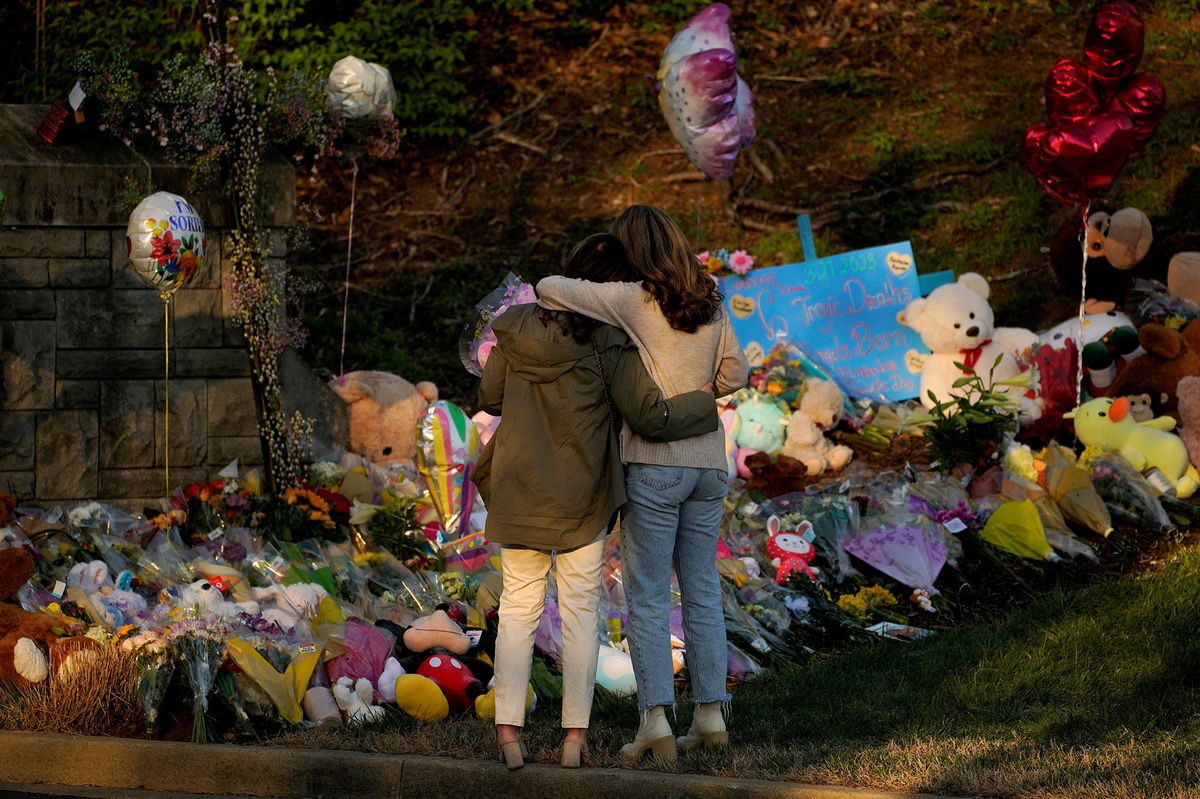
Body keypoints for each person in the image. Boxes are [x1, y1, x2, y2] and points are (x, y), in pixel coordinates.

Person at [474, 232, 720, 771]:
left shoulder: (511, 327)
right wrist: (705, 407)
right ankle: (572, 741)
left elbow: (489, 397)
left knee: (517, 609)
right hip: (582, 488)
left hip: (518, 486)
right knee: (581, 611)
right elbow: (647, 415)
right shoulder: (609, 338)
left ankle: (510, 735)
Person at [536, 205, 749, 763]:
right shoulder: (712, 300)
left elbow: (548, 287)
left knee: (649, 597)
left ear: (632, 251)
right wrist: (697, 389)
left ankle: (655, 720)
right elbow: (736, 375)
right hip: (708, 463)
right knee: (702, 587)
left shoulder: (631, 299)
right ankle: (710, 715)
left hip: (654, 463)